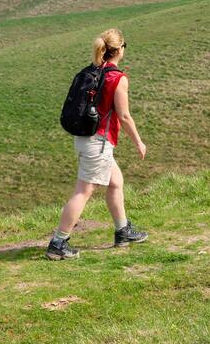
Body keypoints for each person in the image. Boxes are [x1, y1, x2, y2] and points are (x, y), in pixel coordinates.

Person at [47, 29, 148, 260]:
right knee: (84, 191)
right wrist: (139, 142)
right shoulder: (117, 78)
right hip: (99, 142)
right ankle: (58, 242)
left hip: (85, 138)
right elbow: (124, 116)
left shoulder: (93, 72)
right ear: (119, 49)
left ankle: (122, 231)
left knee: (115, 182)